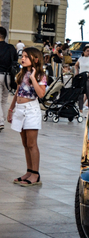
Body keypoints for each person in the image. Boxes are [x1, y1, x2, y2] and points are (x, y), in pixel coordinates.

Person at [8, 47, 47, 187]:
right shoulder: (21, 73)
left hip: (31, 110)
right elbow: (17, 92)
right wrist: (11, 109)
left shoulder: (40, 75)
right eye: (22, 56)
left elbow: (41, 94)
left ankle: (35, 174)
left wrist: (33, 78)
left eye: (26, 56)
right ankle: (29, 171)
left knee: (32, 144)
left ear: (35, 59)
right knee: (25, 144)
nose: (22, 58)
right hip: (19, 110)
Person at [0, 27, 18, 132]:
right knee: (3, 100)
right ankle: (1, 121)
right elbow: (15, 60)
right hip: (8, 77)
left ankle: (0, 122)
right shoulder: (10, 47)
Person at [74, 46, 89, 111]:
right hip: (81, 77)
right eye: (87, 51)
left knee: (88, 94)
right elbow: (76, 65)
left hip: (87, 77)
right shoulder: (81, 58)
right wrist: (77, 71)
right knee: (80, 94)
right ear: (84, 52)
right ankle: (80, 109)